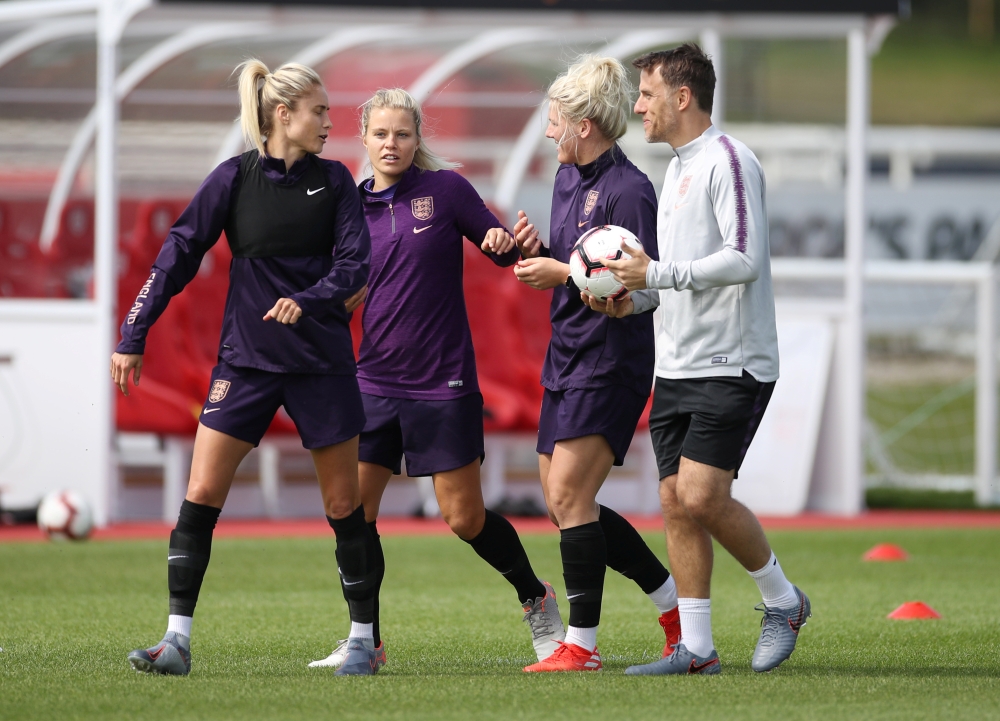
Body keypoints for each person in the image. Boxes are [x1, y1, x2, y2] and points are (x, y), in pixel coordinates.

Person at [111, 59, 382, 677]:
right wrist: (134, 331)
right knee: (202, 492)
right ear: (282, 115)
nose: (328, 123)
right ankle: (175, 642)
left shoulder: (337, 180)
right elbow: (176, 254)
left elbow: (354, 265)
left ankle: (363, 641)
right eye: (319, 112)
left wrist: (307, 299)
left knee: (345, 504)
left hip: (320, 363)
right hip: (247, 361)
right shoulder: (233, 178)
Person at [308, 88, 566, 671]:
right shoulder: (349, 206)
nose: (390, 144)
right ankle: (363, 640)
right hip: (372, 384)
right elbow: (338, 286)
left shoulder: (445, 190)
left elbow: (504, 253)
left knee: (464, 518)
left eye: (402, 134)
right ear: (364, 139)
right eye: (380, 134)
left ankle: (536, 598)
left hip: (442, 384)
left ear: (417, 139)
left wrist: (508, 242)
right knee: (354, 514)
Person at [589, 43, 809, 676]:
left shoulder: (730, 161)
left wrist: (657, 271)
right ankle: (697, 649)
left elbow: (744, 258)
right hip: (678, 365)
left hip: (733, 361)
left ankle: (782, 601)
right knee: (673, 499)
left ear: (681, 97)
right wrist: (632, 303)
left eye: (647, 94)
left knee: (702, 495)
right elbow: (672, 284)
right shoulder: (675, 170)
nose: (638, 107)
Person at [512, 56, 680, 673]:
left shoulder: (631, 190)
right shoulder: (565, 181)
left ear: (584, 124)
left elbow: (645, 288)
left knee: (568, 495)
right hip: (565, 354)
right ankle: (672, 607)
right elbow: (577, 260)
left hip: (611, 359)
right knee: (563, 502)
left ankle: (580, 645)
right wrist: (543, 254)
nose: (550, 131)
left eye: (557, 120)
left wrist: (561, 272)